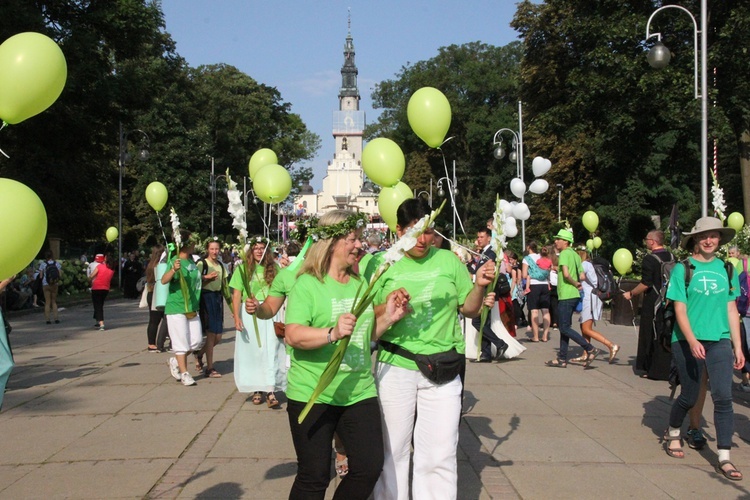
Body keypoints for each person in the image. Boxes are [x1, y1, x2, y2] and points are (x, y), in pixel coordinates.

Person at [372, 198, 495, 500]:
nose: (423, 239)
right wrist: (388, 305)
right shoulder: (382, 263)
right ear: (398, 229)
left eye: (429, 231)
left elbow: (468, 309)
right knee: (393, 450)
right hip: (395, 366)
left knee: (439, 452)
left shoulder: (449, 261)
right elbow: (364, 313)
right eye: (414, 231)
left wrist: (478, 286)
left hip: (441, 369)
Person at [283, 210, 410, 498]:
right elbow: (293, 335)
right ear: (330, 242)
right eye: (352, 239)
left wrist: (389, 317)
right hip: (312, 393)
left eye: (360, 239)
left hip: (358, 391)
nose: (359, 246)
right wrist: (331, 333)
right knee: (314, 476)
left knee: (368, 466)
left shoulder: (359, 285)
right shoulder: (308, 284)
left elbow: (364, 335)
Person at [663, 216, 744, 481]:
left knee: (723, 397)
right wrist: (693, 340)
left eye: (714, 236)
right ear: (695, 240)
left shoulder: (727, 269)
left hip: (719, 340)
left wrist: (738, 346)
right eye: (703, 236)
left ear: (720, 239)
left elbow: (731, 309)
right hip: (687, 340)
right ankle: (674, 431)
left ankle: (724, 457)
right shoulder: (683, 269)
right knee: (689, 395)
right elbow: (680, 310)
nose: (709, 241)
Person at [230, 236, 286, 407]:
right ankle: (257, 388)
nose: (259, 251)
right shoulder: (242, 269)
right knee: (254, 351)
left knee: (271, 349)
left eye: (262, 248)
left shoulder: (274, 267)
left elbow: (282, 289)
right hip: (250, 312)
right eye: (256, 248)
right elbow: (237, 293)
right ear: (250, 250)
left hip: (269, 311)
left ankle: (270, 389)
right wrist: (237, 316)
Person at [622, 230, 674, 379]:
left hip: (653, 301)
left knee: (650, 333)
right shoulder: (671, 257)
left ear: (652, 241)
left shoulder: (649, 259)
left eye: (647, 239)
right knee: (666, 330)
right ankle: (667, 367)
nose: (646, 242)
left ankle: (651, 368)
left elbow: (646, 283)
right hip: (668, 299)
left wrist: (631, 293)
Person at [545, 229, 599, 368]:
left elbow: (567, 274)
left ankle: (590, 348)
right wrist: (576, 282)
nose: (556, 241)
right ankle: (562, 359)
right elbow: (581, 275)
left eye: (559, 239)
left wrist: (573, 282)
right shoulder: (575, 255)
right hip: (574, 295)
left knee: (564, 328)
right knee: (565, 327)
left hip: (566, 295)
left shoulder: (564, 254)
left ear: (566, 241)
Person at [161, 231, 202, 387]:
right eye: (192, 242)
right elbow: (164, 280)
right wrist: (173, 270)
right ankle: (184, 373)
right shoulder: (175, 260)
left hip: (192, 307)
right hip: (176, 307)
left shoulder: (191, 262)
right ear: (185, 244)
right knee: (181, 343)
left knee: (196, 341)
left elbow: (194, 281)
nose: (194, 244)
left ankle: (175, 360)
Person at [570, 249, 619, 364]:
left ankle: (611, 345)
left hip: (590, 298)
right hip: (590, 297)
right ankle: (585, 353)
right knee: (584, 327)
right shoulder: (589, 264)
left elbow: (580, 277)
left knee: (587, 328)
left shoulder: (584, 265)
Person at [195, 240, 226, 377]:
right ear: (207, 250)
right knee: (211, 334)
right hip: (206, 298)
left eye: (217, 249)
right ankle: (210, 368)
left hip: (217, 298)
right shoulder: (203, 264)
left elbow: (225, 285)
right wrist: (205, 277)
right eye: (212, 249)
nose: (214, 252)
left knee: (218, 336)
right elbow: (194, 280)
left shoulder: (221, 266)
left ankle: (199, 354)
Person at [522, 241, 551, 342]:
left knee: (534, 311)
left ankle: (536, 336)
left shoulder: (527, 259)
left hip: (533, 285)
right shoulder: (541, 256)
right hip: (545, 285)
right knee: (545, 311)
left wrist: (531, 275)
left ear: (528, 247)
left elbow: (524, 275)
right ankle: (545, 335)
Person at [145, 245, 167, 352]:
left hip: (151, 292)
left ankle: (151, 343)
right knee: (164, 319)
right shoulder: (160, 265)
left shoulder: (150, 264)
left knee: (153, 320)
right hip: (158, 294)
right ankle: (158, 342)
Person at [89, 253, 115, 330]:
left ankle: (101, 323)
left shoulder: (99, 266)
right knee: (100, 304)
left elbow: (92, 276)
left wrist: (89, 280)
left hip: (96, 287)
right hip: (105, 289)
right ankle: (97, 320)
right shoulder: (111, 270)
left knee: (98, 306)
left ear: (105, 259)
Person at [38, 251, 62, 324]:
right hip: (54, 284)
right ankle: (56, 318)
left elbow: (41, 276)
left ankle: (48, 319)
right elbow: (60, 274)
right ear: (52, 256)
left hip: (46, 284)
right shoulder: (56, 263)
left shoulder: (43, 264)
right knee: (54, 301)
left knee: (47, 302)